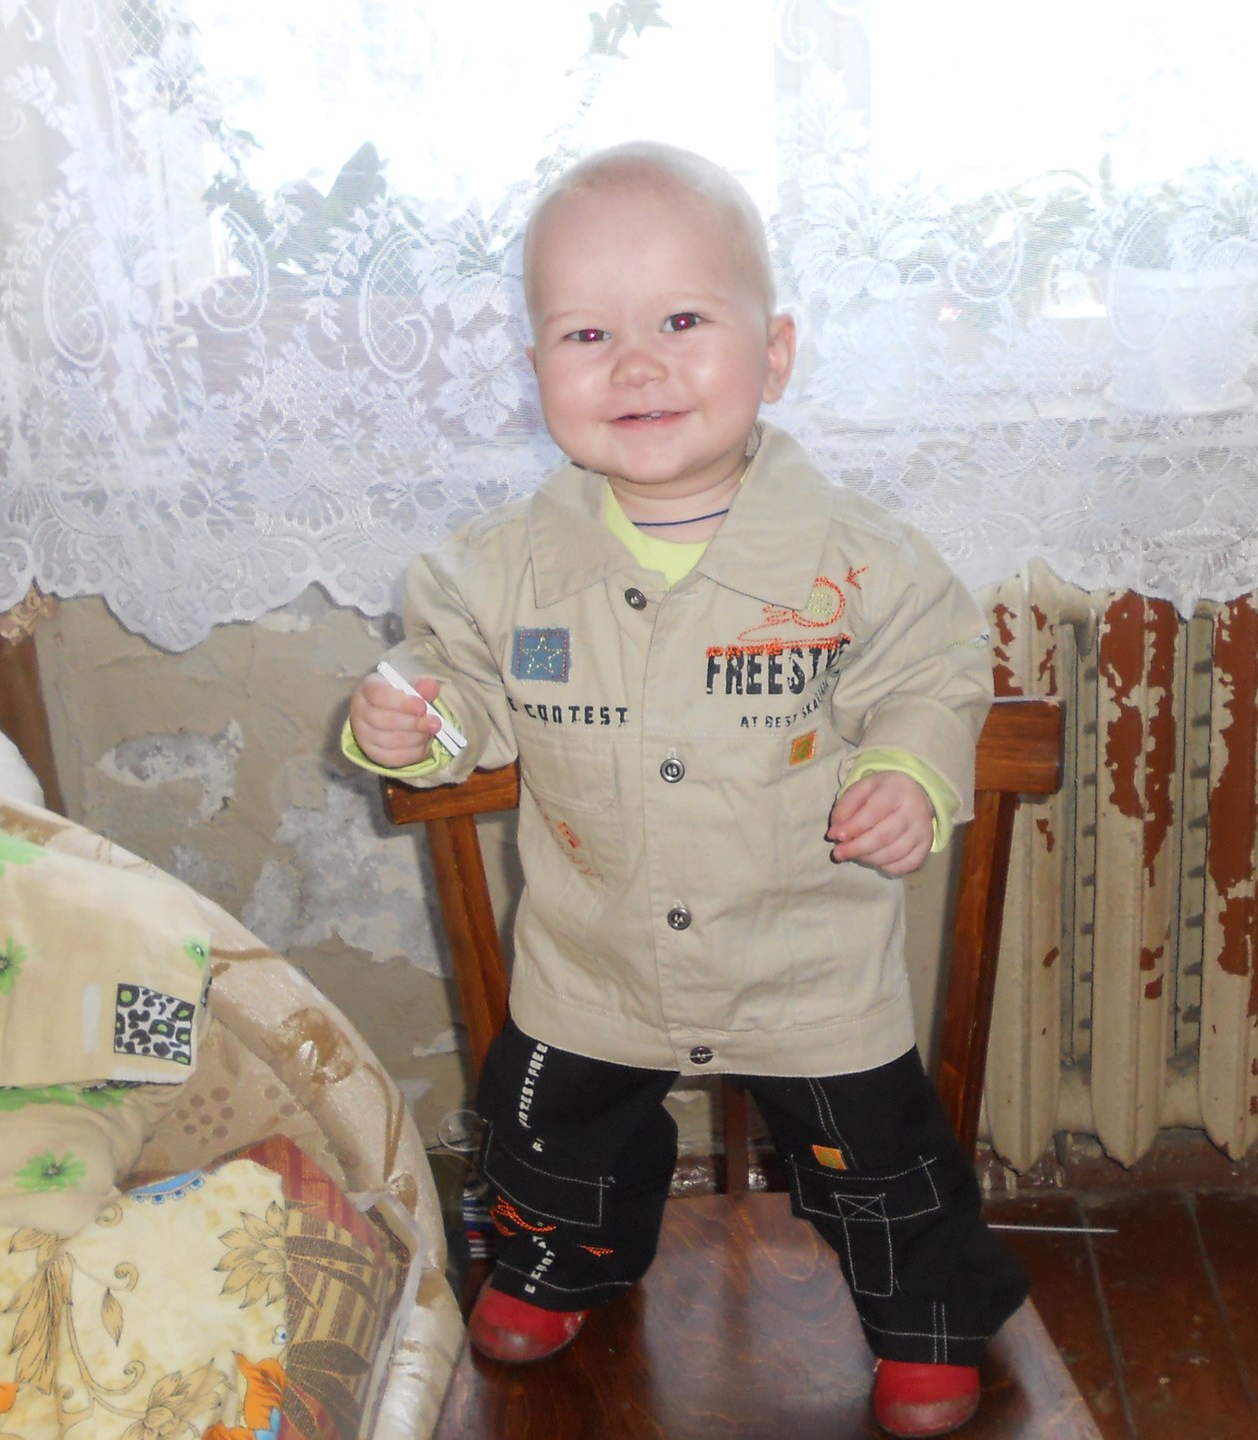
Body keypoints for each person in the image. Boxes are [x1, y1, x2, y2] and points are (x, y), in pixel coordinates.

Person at [343, 141, 1024, 1438]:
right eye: (587, 333)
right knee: (545, 1132)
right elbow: (457, 688)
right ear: (537, 366)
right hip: (592, 961)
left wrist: (906, 764)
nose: (637, 365)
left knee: (882, 1163)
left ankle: (927, 1319)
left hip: (807, 964)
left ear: (776, 352)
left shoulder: (857, 560)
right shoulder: (496, 572)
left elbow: (935, 671)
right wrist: (414, 717)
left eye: (682, 322)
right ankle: (561, 1259)